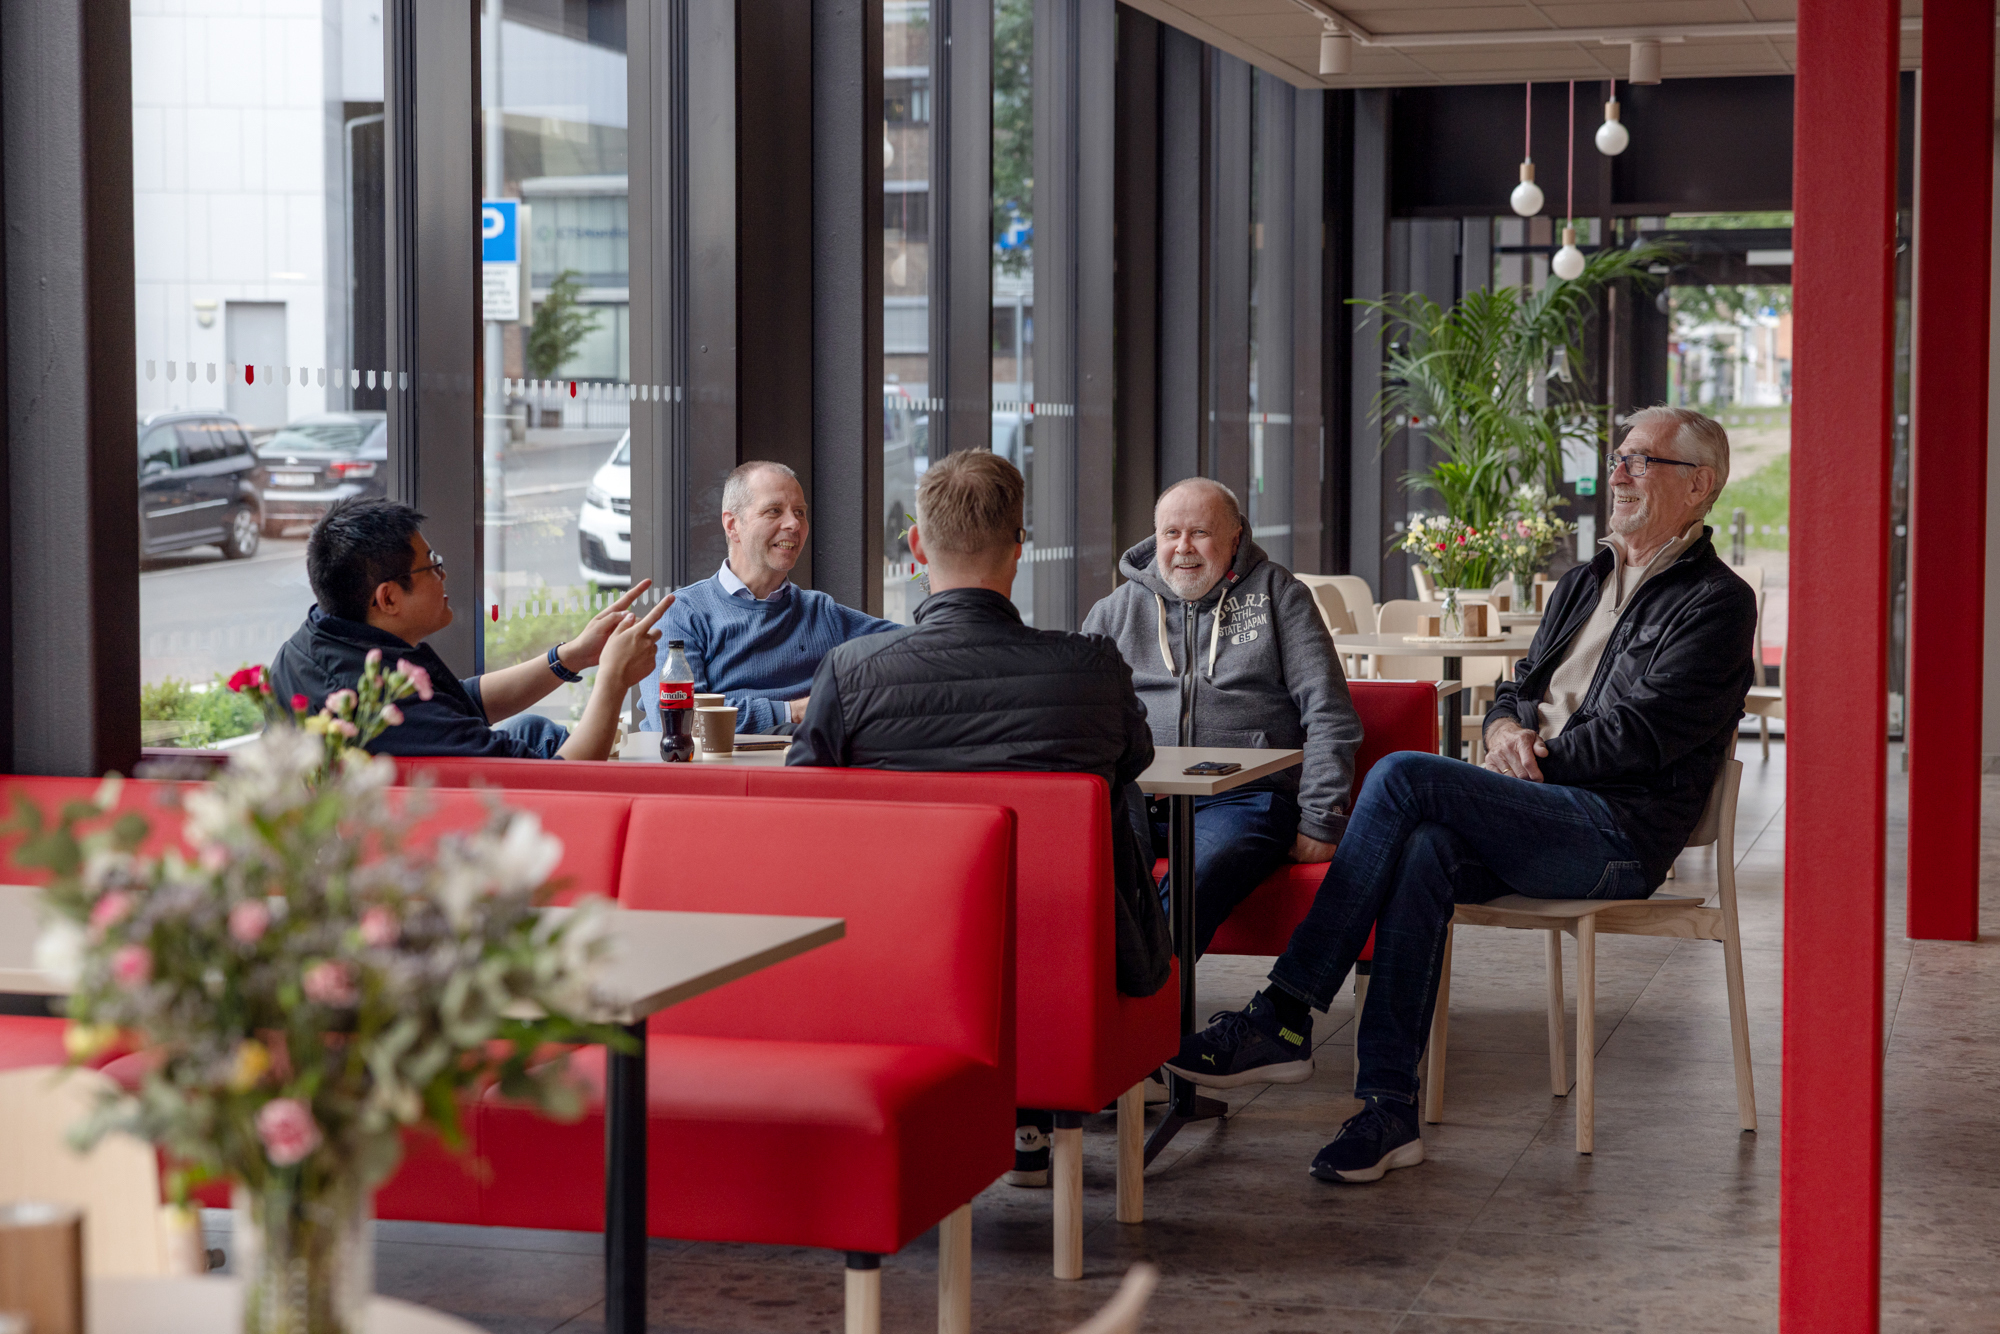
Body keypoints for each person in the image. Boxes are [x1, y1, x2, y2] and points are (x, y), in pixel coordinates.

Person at [1167, 406, 1756, 1185]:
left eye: (1641, 460)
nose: (1617, 473)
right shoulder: (1585, 581)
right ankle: (1387, 1110)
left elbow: (1640, 738)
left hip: (1618, 834)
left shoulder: (1717, 602)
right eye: (1618, 456)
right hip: (1541, 810)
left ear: (1700, 485)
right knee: (1424, 849)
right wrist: (1505, 727)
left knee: (1403, 775)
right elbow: (1518, 687)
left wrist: (1532, 757)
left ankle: (1284, 1011)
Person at [788, 449, 1171, 1187]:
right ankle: (1041, 1105)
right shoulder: (1091, 667)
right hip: (1070, 949)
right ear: (1018, 548)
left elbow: (810, 808)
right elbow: (1137, 756)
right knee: (1107, 794)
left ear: (917, 546)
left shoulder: (853, 672)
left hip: (902, 954)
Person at [1081, 477, 1364, 976]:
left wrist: (1321, 816)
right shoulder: (1115, 611)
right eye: (1170, 533)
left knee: (1198, 874)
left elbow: (1329, 712)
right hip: (1137, 797)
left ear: (1235, 538)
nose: (1183, 548)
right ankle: (1104, 1001)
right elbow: (1079, 717)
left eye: (1200, 533)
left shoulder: (1280, 596)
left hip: (1244, 800)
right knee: (1088, 870)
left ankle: (1138, 1004)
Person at [271, 497, 669, 761]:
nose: (444, 574)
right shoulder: (380, 707)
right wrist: (614, 678)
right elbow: (565, 782)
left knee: (533, 730)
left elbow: (457, 704)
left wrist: (572, 657)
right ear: (388, 598)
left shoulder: (313, 643)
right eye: (432, 564)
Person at [642, 461, 897, 735]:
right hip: (718, 762)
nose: (794, 523)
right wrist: (797, 711)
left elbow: (918, 649)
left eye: (800, 512)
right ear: (732, 525)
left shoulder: (820, 612)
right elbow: (679, 722)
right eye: (774, 510)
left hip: (802, 759)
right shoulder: (681, 614)